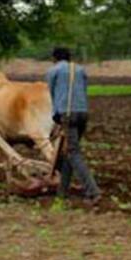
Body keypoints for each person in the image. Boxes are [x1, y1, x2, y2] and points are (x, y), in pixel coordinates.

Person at [46, 46, 101, 206]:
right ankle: (62, 193)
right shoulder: (80, 70)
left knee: (73, 152)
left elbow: (53, 95)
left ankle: (93, 192)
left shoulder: (53, 71)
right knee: (68, 152)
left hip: (66, 114)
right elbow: (83, 91)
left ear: (55, 58)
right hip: (82, 114)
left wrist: (57, 119)